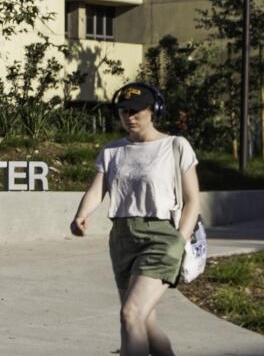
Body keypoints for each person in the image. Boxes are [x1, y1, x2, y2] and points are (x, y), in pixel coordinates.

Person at [70, 81, 201, 356]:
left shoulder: (176, 146)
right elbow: (97, 190)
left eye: (136, 111)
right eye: (123, 111)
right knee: (145, 323)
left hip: (162, 238)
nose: (129, 117)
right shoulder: (112, 151)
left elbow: (193, 201)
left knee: (130, 315)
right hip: (122, 239)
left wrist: (180, 240)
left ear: (153, 111)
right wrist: (81, 215)